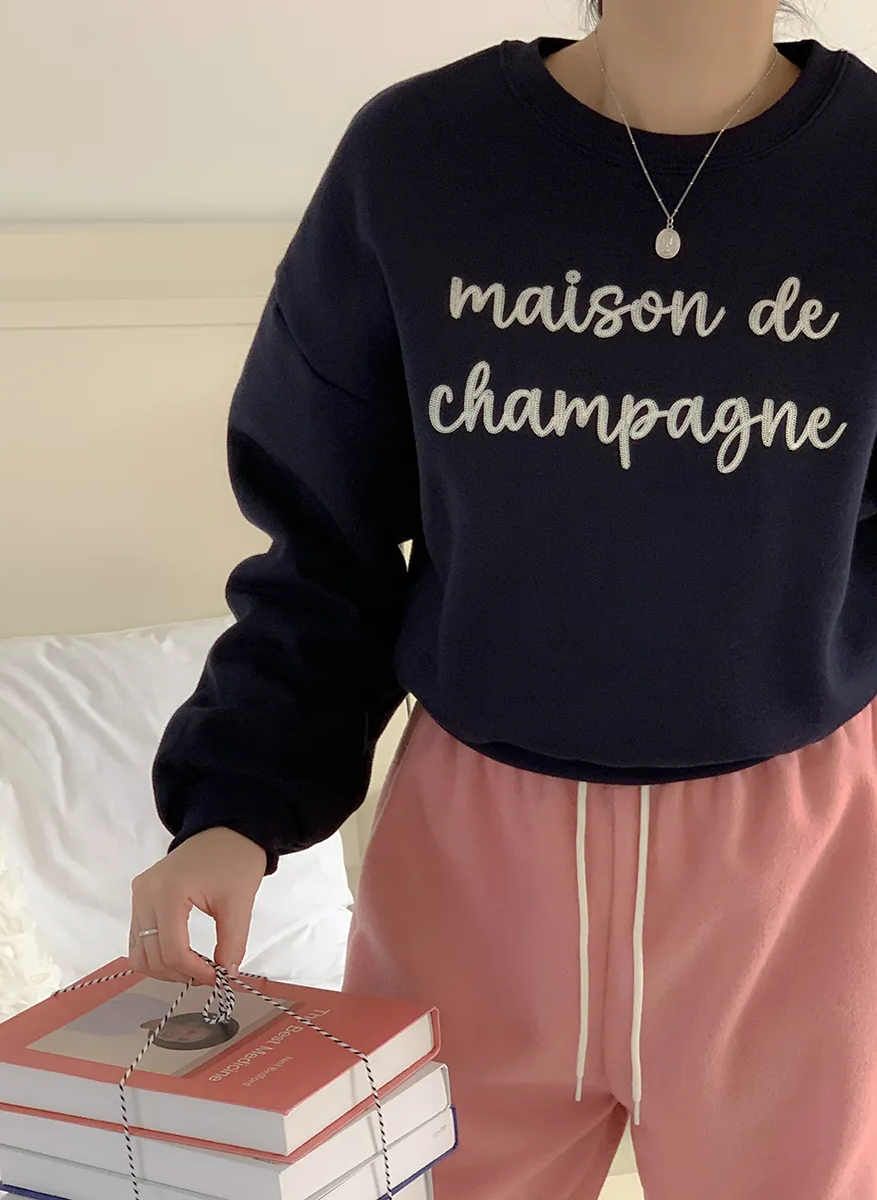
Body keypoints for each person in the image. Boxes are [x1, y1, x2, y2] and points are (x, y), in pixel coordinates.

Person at [129, 2, 877, 1196]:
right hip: (472, 868)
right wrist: (237, 804)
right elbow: (325, 533)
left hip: (799, 874)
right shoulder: (419, 160)